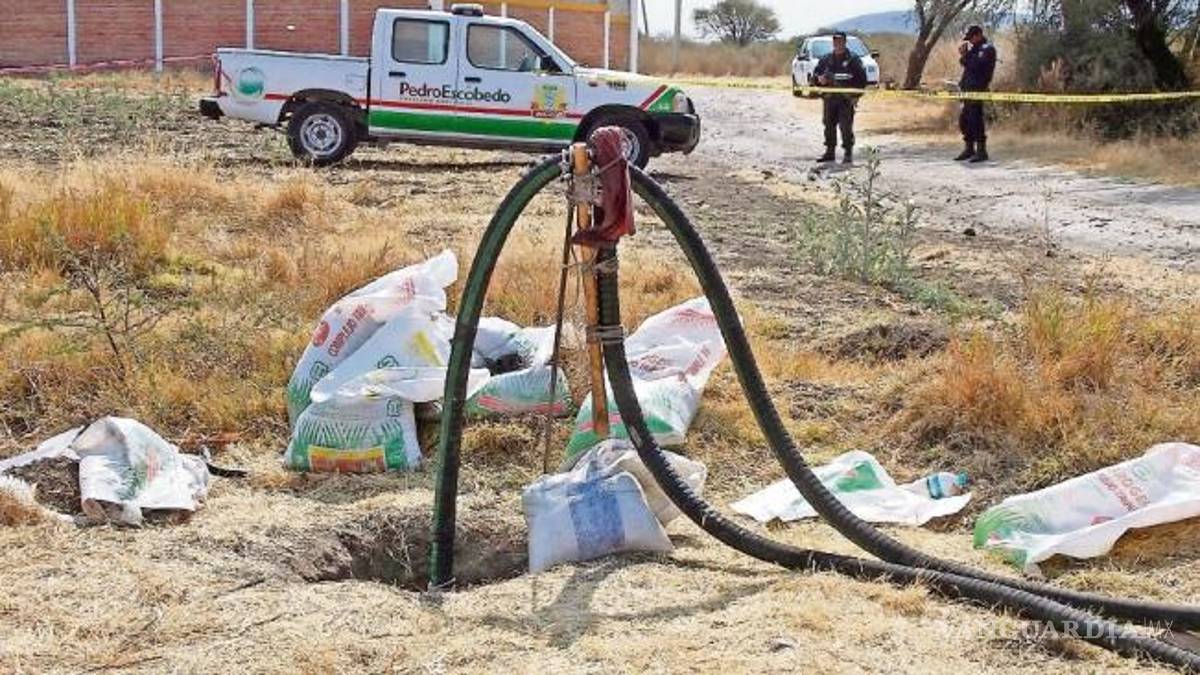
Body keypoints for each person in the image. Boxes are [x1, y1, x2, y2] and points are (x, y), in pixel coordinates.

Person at [813, 32, 868, 165]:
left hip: (846, 99)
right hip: (829, 98)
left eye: (840, 41)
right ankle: (830, 152)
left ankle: (848, 153)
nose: (837, 44)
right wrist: (820, 80)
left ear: (844, 42)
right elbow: (815, 76)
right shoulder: (826, 59)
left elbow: (862, 80)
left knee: (845, 126)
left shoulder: (853, 59)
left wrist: (856, 97)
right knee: (828, 125)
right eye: (835, 41)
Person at [956, 25, 997, 163]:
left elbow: (976, 65)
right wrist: (965, 55)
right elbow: (964, 63)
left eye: (972, 38)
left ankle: (981, 151)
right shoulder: (974, 49)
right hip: (967, 89)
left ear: (978, 35)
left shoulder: (987, 49)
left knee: (976, 119)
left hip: (977, 89)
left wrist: (965, 55)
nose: (970, 41)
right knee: (964, 120)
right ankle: (969, 148)